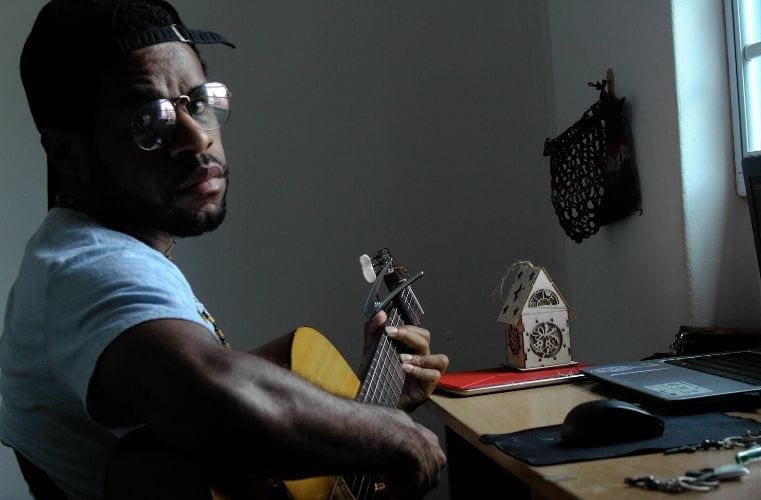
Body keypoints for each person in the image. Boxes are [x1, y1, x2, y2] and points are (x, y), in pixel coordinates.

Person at [0, 1, 449, 498]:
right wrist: (386, 434)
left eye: (197, 101)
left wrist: (369, 410)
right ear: (69, 154)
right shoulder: (85, 267)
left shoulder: (110, 257)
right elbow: (216, 397)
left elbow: (233, 456)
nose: (197, 137)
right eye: (149, 120)